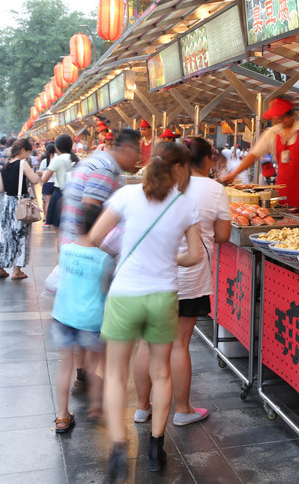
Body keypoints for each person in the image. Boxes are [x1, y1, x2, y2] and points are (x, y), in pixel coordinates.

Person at [87, 141, 206, 478]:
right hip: (163, 297)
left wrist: (124, 253)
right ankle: (156, 445)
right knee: (161, 373)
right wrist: (173, 258)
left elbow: (95, 235)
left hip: (125, 294)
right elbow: (195, 256)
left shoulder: (126, 196)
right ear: (180, 169)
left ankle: (118, 446)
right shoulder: (185, 205)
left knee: (114, 373)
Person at [132, 137, 230, 428]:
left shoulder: (148, 188)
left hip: (151, 275)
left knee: (147, 344)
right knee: (178, 345)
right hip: (189, 278)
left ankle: (140, 407)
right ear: (206, 161)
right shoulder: (215, 189)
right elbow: (223, 235)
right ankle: (182, 409)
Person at [59, 128, 142, 394]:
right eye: (138, 152)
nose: (139, 159)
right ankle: (98, 379)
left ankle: (84, 373)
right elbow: (91, 210)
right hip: (88, 251)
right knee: (96, 314)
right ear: (126, 149)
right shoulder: (106, 169)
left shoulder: (96, 160)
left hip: (74, 247)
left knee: (80, 311)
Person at [52, 203, 113, 432]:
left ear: (77, 225)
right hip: (91, 319)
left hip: (63, 316)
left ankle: (61, 416)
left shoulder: (66, 249)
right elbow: (105, 289)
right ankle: (96, 407)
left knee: (65, 365)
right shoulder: (104, 259)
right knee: (96, 365)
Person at [220, 98, 299, 216]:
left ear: (289, 115)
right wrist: (234, 174)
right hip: (282, 192)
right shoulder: (272, 133)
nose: (278, 120)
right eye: (277, 118)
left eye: (281, 117)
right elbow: (254, 155)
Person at [0, 138, 42, 280]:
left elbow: (1, 188)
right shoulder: (22, 163)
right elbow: (35, 180)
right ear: (23, 151)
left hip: (8, 203)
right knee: (20, 235)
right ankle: (16, 271)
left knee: (4, 235)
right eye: (28, 152)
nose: (28, 155)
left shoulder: (5, 165)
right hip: (20, 204)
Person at [41, 134, 79, 238]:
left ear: (57, 148)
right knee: (74, 231)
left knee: (59, 234)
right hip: (74, 196)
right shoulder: (77, 159)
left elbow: (44, 179)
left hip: (59, 196)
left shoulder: (57, 159)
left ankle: (61, 253)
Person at [38, 141, 58, 221]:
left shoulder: (44, 161)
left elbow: (40, 172)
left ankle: (46, 218)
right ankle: (54, 218)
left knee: (47, 202)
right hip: (56, 183)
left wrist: (45, 173)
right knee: (56, 202)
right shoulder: (57, 160)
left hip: (47, 183)